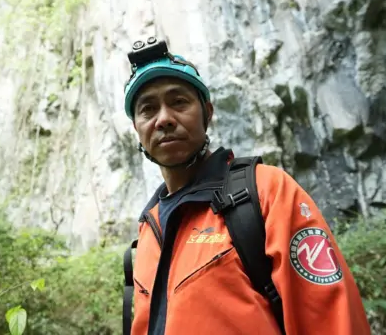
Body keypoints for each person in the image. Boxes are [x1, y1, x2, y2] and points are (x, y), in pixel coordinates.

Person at [122, 37, 371, 335]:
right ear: (137, 128)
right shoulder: (149, 230)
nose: (163, 119)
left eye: (179, 102)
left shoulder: (266, 191)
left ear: (207, 114)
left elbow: (333, 319)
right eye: (148, 109)